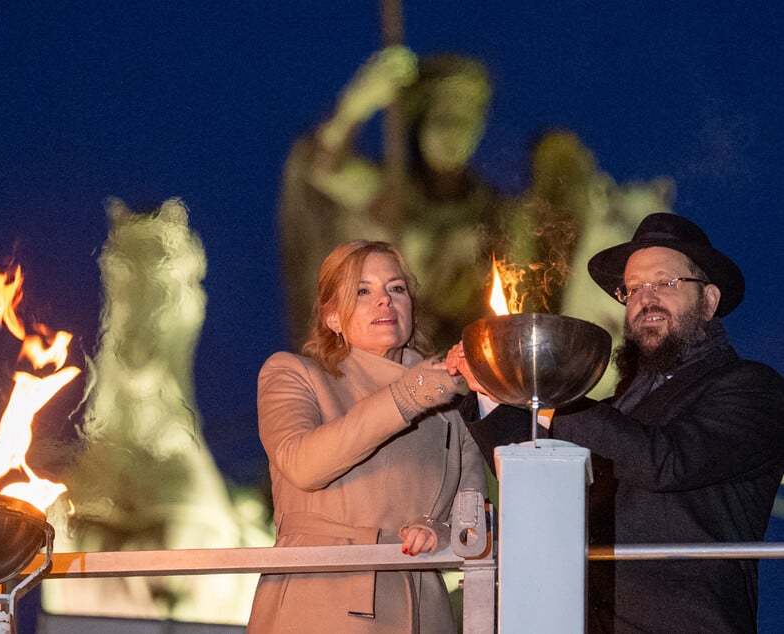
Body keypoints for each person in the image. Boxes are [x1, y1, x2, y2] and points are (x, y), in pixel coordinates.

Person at [451, 213, 784, 633]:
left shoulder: (752, 389)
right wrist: (489, 386)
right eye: (634, 288)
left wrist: (555, 392)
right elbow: (537, 463)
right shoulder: (623, 404)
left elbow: (666, 460)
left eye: (665, 283)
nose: (646, 298)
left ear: (710, 301)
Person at [248, 240, 488, 633]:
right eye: (363, 291)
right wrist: (414, 391)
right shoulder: (292, 374)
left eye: (396, 288)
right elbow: (303, 465)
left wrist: (438, 533)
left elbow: (472, 523)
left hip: (422, 610)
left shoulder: (450, 407)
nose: (384, 301)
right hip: (320, 600)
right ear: (332, 317)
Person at [278, 46, 503, 348]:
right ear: (420, 119)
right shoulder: (389, 194)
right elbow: (323, 168)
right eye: (444, 115)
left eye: (467, 118)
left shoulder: (493, 213)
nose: (455, 132)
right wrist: (356, 104)